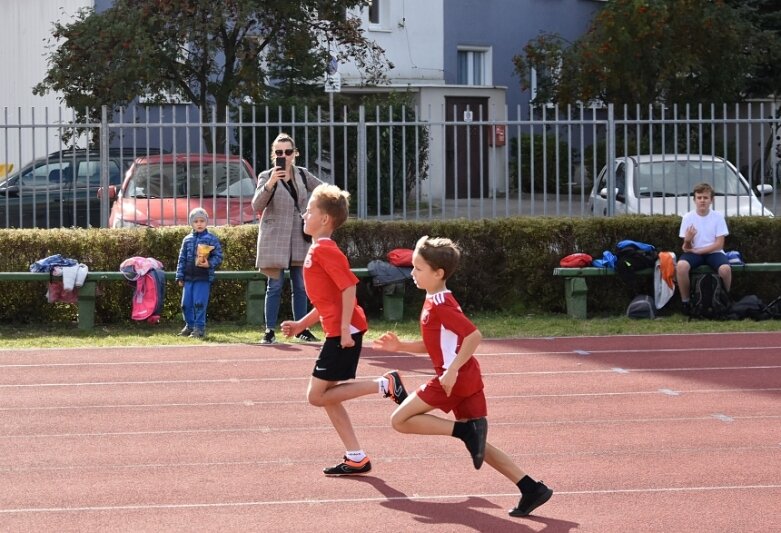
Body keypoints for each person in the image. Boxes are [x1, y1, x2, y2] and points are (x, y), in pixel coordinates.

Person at [373, 235, 553, 518]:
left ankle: (463, 431)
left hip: (453, 380)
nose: (413, 274)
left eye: (418, 269)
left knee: (400, 420)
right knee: (478, 442)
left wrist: (453, 369)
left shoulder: (441, 305)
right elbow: (435, 346)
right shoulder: (434, 299)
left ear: (438, 273)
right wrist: (401, 347)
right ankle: (531, 487)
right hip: (462, 378)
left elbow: (473, 335)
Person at [280, 183, 407, 475]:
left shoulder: (325, 249)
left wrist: (347, 332)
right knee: (329, 396)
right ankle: (356, 456)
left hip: (342, 333)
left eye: (309, 210)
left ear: (325, 219)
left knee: (316, 396)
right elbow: (329, 300)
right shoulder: (318, 249)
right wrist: (302, 324)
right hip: (338, 329)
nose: (304, 215)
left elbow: (349, 287)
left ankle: (385, 384)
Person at [252, 132, 322, 344]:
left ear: (295, 154)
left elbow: (323, 190)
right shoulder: (266, 176)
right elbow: (256, 205)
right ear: (274, 155)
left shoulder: (302, 174)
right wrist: (271, 182)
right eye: (279, 152)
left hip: (298, 237)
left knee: (300, 285)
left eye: (288, 151)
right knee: (274, 285)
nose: (284, 155)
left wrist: (314, 211)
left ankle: (301, 328)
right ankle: (269, 330)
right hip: (274, 239)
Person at [676, 182, 731, 314]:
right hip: (694, 253)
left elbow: (719, 244)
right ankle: (686, 303)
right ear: (694, 200)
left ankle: (725, 300)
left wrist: (700, 251)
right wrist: (688, 240)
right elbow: (686, 248)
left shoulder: (718, 217)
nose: (702, 201)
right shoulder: (688, 218)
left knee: (725, 269)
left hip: (713, 252)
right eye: (699, 197)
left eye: (705, 198)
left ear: (711, 200)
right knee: (681, 266)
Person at [175, 207, 223, 338]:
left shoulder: (211, 239)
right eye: (196, 221)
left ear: (206, 222)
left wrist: (209, 264)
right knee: (185, 305)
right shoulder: (187, 239)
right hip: (188, 278)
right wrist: (180, 276)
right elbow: (182, 258)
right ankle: (189, 325)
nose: (199, 224)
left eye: (202, 220)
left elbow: (218, 256)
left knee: (199, 303)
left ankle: (199, 328)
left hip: (203, 277)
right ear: (191, 223)